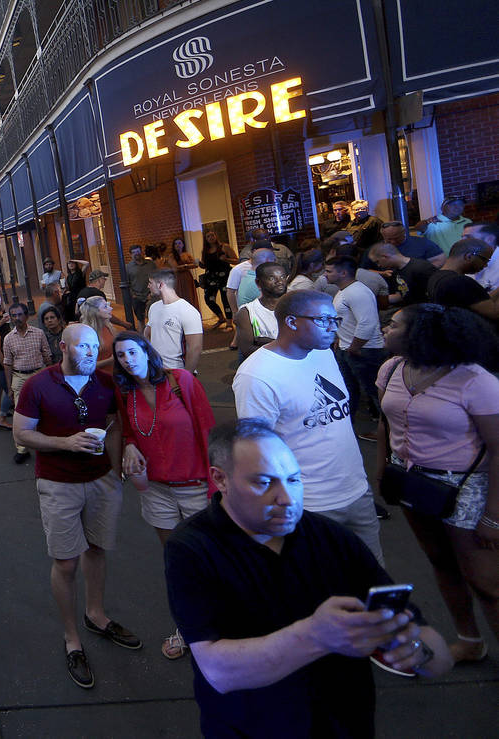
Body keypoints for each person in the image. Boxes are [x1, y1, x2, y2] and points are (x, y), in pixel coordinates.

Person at [164, 420, 452, 738]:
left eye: (294, 479)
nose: (287, 499)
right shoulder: (191, 548)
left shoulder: (331, 537)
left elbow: (437, 656)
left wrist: (416, 650)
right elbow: (218, 671)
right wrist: (316, 635)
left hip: (344, 724)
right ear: (221, 479)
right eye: (263, 483)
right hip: (249, 728)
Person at [13, 324, 141, 689]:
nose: (89, 352)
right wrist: (66, 444)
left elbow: (117, 425)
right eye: (82, 347)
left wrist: (117, 472)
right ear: (64, 348)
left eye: (93, 347)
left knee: (98, 548)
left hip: (102, 480)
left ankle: (96, 615)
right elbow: (21, 434)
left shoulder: (105, 383)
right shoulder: (38, 385)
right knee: (66, 561)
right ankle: (72, 638)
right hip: (57, 482)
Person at [375, 304, 499, 666]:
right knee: (441, 563)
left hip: (466, 489)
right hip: (412, 483)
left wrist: (493, 515)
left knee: (487, 584)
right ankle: (470, 640)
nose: (385, 328)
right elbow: (385, 422)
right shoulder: (392, 369)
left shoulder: (476, 381)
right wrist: (382, 470)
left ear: (420, 334)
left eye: (394, 324)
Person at [233, 290, 384, 562]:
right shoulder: (256, 376)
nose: (333, 328)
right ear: (291, 322)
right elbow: (257, 451)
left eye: (334, 319)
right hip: (309, 505)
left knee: (375, 583)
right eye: (323, 320)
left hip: (356, 492)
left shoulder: (323, 353)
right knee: (323, 590)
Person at [113, 332, 214, 660]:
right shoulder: (126, 393)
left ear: (146, 351)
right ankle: (188, 628)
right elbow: (129, 429)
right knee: (177, 563)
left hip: (196, 487)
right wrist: (128, 443)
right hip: (156, 490)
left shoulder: (180, 381)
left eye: (132, 352)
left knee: (210, 561)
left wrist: (217, 487)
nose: (128, 360)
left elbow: (208, 431)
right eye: (121, 356)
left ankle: (223, 625)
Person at [325, 255, 386, 428]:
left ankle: (388, 432)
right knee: (350, 391)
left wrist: (355, 347)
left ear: (343, 273)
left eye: (329, 271)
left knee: (375, 392)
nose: (325, 275)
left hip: (365, 350)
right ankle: (348, 428)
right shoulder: (343, 291)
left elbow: (367, 322)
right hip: (348, 349)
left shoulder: (357, 292)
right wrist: (339, 338)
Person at [4, 302, 53, 463]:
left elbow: (47, 355)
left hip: (39, 375)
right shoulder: (8, 339)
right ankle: (22, 449)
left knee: (45, 411)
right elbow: (8, 363)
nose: (16, 318)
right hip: (19, 377)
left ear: (26, 316)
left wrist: (52, 376)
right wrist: (10, 386)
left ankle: (45, 445)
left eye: (19, 315)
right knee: (20, 414)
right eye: (13, 315)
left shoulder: (39, 333)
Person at [426, 237, 499, 322]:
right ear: (469, 256)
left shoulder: (437, 276)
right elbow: (494, 313)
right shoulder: (459, 281)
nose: (485, 265)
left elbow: (480, 301)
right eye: (485, 260)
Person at [144, 269, 203, 372]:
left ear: (160, 285)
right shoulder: (154, 307)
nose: (148, 286)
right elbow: (147, 333)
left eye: (150, 283)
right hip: (157, 370)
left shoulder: (187, 311)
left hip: (177, 371)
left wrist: (187, 376)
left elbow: (195, 348)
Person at [235, 262, 286, 360]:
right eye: (272, 278)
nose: (279, 281)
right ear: (258, 282)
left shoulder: (296, 308)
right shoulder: (246, 312)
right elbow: (248, 350)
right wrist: (284, 345)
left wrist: (266, 341)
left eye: (283, 277)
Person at [366, 241, 438, 308]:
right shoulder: (395, 271)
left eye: (377, 262)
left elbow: (437, 293)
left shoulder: (422, 268)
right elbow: (401, 295)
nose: (378, 265)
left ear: (385, 256)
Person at [198, 230, 238, 329]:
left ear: (216, 236)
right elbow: (205, 265)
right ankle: (221, 318)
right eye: (208, 236)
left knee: (226, 299)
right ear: (205, 239)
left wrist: (226, 259)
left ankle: (229, 323)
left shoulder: (224, 247)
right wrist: (200, 264)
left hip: (224, 276)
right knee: (208, 299)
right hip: (211, 278)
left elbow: (237, 260)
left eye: (212, 235)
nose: (211, 237)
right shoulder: (205, 251)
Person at [368, 221, 444, 269]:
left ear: (404, 233)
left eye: (397, 238)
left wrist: (421, 272)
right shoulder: (376, 249)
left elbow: (440, 260)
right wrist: (382, 273)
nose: (393, 242)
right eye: (389, 239)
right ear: (383, 236)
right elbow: (364, 270)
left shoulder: (423, 243)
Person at [78, 295, 120, 369]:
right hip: (100, 376)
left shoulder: (108, 326)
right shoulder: (86, 334)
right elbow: (85, 365)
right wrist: (110, 360)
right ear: (95, 312)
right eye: (105, 307)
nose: (111, 308)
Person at [124, 244, 157, 330]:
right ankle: (143, 339)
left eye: (138, 251)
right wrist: (133, 295)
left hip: (151, 296)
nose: (136, 254)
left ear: (142, 252)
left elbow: (157, 278)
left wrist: (153, 293)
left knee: (154, 318)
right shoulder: (128, 267)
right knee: (140, 320)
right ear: (130, 255)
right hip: (137, 297)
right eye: (134, 252)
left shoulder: (151, 264)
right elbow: (127, 283)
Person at [236, 242, 277, 307]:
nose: (276, 263)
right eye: (274, 260)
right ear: (267, 261)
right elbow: (277, 306)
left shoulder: (249, 277)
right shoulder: (258, 283)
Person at [164, 237, 199, 306]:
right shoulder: (171, 256)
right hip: (178, 278)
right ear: (173, 246)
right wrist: (187, 266)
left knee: (190, 296)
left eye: (179, 243)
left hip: (187, 277)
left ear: (183, 245)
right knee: (180, 295)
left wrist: (185, 266)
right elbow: (175, 268)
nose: (178, 245)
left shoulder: (186, 254)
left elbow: (195, 264)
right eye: (176, 244)